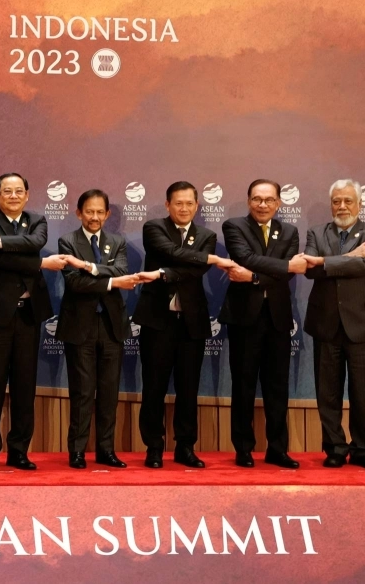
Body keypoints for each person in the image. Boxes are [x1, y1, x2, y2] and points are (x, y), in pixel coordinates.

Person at [134, 181, 232, 469]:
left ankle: (185, 447)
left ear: (197, 206)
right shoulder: (154, 228)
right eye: (179, 203)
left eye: (190, 203)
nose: (184, 208)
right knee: (154, 386)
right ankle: (154, 447)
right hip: (157, 320)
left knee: (188, 388)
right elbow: (171, 252)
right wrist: (207, 259)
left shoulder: (207, 234)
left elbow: (194, 270)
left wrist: (163, 273)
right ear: (168, 205)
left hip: (192, 320)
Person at [0, 173, 65, 471]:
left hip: (29, 313)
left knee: (25, 386)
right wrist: (38, 262)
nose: (13, 196)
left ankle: (19, 451)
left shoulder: (37, 221)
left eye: (18, 191)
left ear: (27, 195)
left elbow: (36, 241)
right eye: (6, 191)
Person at [303, 179, 365, 470]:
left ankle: (363, 450)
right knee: (327, 391)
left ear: (360, 204)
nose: (342, 206)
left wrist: (325, 261)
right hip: (325, 323)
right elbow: (310, 271)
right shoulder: (316, 232)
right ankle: (335, 448)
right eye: (337, 201)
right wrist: (350, 256)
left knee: (364, 392)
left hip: (364, 323)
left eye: (348, 201)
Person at [219, 179, 304, 468]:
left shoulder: (290, 231)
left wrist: (254, 276)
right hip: (244, 318)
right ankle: (243, 448)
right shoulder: (234, 226)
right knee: (242, 385)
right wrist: (283, 266)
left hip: (278, 319)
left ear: (279, 203)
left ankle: (277, 449)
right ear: (248, 201)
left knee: (277, 387)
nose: (263, 204)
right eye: (257, 199)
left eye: (269, 199)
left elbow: (287, 273)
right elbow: (245, 257)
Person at [56, 189, 141, 469]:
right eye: (88, 212)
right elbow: (74, 283)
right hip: (79, 326)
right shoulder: (67, 241)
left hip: (111, 326)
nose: (94, 217)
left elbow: (122, 271)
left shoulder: (117, 241)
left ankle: (106, 450)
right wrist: (111, 281)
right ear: (78, 212)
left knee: (108, 392)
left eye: (99, 212)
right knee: (82, 392)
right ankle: (77, 451)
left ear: (107, 214)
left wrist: (91, 269)